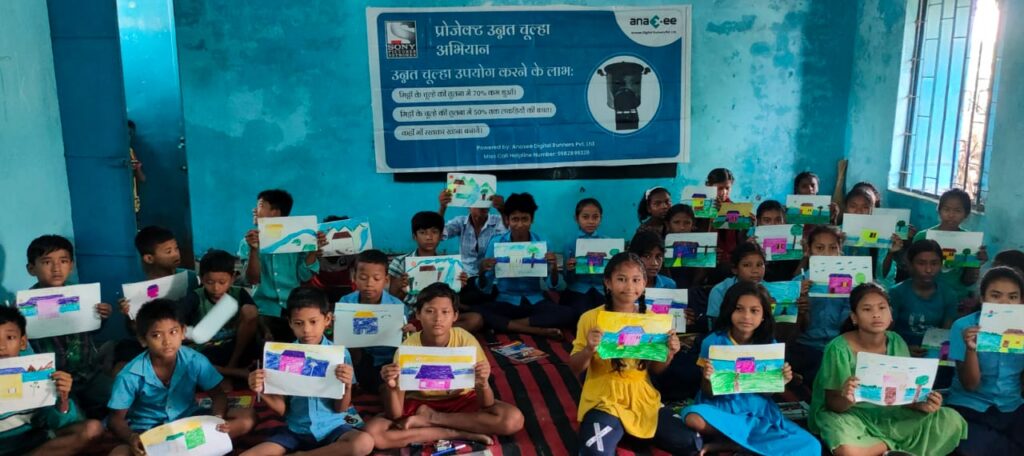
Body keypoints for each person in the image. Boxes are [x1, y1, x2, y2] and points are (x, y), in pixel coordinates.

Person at [809, 283, 966, 456]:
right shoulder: (838, 348)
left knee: (950, 420)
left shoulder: (896, 341)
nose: (876, 314)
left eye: (882, 308)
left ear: (890, 313)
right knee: (847, 449)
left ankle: (880, 448)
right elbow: (833, 405)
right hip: (851, 416)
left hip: (891, 413)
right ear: (854, 317)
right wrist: (848, 397)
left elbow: (902, 395)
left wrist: (922, 404)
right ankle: (891, 446)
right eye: (867, 309)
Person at [364, 283, 524, 449]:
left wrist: (483, 383)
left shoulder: (464, 340)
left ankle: (431, 421)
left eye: (445, 312)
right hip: (421, 402)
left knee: (512, 419)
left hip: (460, 401)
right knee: (374, 433)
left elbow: (487, 404)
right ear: (418, 314)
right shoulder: (407, 348)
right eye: (430, 311)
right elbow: (396, 415)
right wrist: (392, 387)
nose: (438, 318)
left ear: (455, 316)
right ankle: (458, 433)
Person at [569, 252, 697, 455]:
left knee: (691, 441)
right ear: (608, 282)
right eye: (621, 279)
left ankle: (625, 430)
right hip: (605, 397)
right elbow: (574, 367)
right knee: (595, 452)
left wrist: (669, 353)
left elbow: (655, 369)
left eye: (636, 280)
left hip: (642, 396)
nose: (629, 287)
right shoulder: (591, 318)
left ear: (645, 283)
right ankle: (619, 428)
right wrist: (588, 350)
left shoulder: (652, 320)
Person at [681, 281, 820, 455]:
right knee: (693, 417)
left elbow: (767, 393)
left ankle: (732, 443)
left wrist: (780, 381)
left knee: (812, 446)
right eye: (739, 309)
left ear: (763, 315)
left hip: (756, 411)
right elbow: (708, 391)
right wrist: (707, 377)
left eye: (754, 311)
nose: (746, 316)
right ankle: (746, 443)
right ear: (729, 310)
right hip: (721, 407)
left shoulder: (770, 345)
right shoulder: (713, 342)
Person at [108, 299, 255, 456]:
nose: (167, 341)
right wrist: (132, 437)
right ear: (143, 340)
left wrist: (217, 418)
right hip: (150, 435)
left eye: (173, 332)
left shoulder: (194, 360)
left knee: (247, 417)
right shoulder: (129, 375)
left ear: (183, 332)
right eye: (156, 335)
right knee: (119, 453)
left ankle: (190, 448)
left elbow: (218, 394)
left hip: (189, 427)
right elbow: (116, 419)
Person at [244, 287, 374, 455]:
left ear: (327, 319)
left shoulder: (340, 354)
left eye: (313, 322)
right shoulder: (282, 356)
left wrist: (347, 386)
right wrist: (261, 390)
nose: (306, 330)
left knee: (364, 442)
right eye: (299, 323)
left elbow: (341, 409)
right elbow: (283, 410)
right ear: (290, 322)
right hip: (295, 430)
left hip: (332, 428)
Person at [24, 235, 113, 419]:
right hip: (54, 381)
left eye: (63, 261)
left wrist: (101, 316)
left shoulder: (81, 296)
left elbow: (91, 332)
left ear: (71, 265)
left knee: (119, 398)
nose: (56, 268)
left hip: (89, 374)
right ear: (31, 268)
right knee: (72, 419)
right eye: (47, 262)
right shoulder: (26, 306)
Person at [0, 306, 103, 456]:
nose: (1, 347)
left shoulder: (36, 370)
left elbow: (53, 421)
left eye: (10, 338)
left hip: (39, 444)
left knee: (93, 429)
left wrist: (62, 400)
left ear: (22, 342)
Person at [946, 266, 1024, 454]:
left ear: (1021, 301)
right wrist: (971, 349)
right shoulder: (963, 326)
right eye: (995, 296)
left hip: (1011, 405)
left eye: (1013, 297)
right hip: (970, 405)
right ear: (982, 298)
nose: (1004, 303)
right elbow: (970, 385)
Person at [476, 193, 571, 338]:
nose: (519, 225)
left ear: (532, 220)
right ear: (507, 220)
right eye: (515, 219)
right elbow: (485, 286)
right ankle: (535, 329)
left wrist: (553, 270)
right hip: (506, 301)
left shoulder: (542, 243)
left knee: (569, 313)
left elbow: (552, 285)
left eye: (524, 219)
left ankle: (511, 325)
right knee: (479, 312)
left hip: (534, 300)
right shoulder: (496, 243)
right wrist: (482, 271)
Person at [239, 189, 326, 342]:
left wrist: (313, 249)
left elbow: (304, 276)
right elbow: (252, 279)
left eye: (260, 205)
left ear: (275, 213)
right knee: (264, 348)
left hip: (292, 309)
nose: (254, 210)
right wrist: (254, 250)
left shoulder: (299, 239)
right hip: (263, 309)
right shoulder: (249, 241)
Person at [115, 226, 199, 373]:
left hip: (186, 338)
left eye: (176, 248)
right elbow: (135, 330)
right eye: (168, 251)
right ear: (149, 258)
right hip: (155, 343)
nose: (175, 254)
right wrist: (129, 315)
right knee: (122, 361)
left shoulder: (191, 278)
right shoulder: (139, 290)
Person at [178, 249, 261, 380]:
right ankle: (233, 372)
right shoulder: (195, 297)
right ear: (201, 277)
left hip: (236, 348)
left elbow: (253, 316)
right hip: (207, 351)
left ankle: (230, 368)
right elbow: (176, 325)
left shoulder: (239, 294)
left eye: (222, 282)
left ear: (233, 278)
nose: (216, 288)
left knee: (251, 313)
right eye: (210, 282)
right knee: (191, 361)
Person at [387, 211, 476, 331]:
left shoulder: (450, 264)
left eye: (434, 232)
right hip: (412, 314)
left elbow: (450, 300)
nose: (429, 237)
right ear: (414, 236)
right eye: (423, 233)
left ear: (440, 236)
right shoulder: (400, 262)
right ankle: (430, 331)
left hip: (440, 314)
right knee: (397, 320)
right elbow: (392, 300)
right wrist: (401, 286)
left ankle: (424, 331)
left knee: (475, 319)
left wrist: (459, 285)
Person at [339, 249, 407, 393]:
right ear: (354, 277)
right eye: (363, 277)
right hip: (356, 360)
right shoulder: (346, 303)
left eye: (376, 279)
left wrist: (407, 332)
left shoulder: (397, 307)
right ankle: (355, 384)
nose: (369, 284)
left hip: (385, 362)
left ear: (386, 280)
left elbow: (403, 345)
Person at [789, 225, 847, 385]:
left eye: (833, 248)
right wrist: (801, 302)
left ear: (840, 250)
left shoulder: (852, 282)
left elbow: (849, 325)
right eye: (820, 248)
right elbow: (787, 331)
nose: (827, 254)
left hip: (839, 347)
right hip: (805, 347)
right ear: (809, 250)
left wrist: (853, 297)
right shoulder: (797, 285)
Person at [912, 188, 989, 301]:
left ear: (966, 214)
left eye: (957, 211)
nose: (951, 215)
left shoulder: (970, 241)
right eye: (946, 209)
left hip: (957, 297)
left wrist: (976, 263)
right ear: (939, 210)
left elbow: (968, 281)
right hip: (926, 296)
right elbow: (913, 270)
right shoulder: (923, 237)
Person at [438, 188, 506, 306]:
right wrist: (443, 207)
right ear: (468, 206)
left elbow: (511, 233)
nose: (482, 205)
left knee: (481, 298)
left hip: (490, 278)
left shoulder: (499, 221)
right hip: (466, 279)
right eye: (477, 201)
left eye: (485, 201)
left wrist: (502, 209)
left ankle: (468, 309)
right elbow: (438, 233)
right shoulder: (460, 222)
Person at [889, 240, 958, 349]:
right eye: (921, 263)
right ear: (910, 264)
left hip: (933, 352)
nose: (928, 269)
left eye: (934, 263)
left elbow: (945, 334)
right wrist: (906, 349)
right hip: (899, 351)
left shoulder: (948, 294)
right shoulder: (896, 293)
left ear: (941, 264)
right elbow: (887, 332)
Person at [841, 188, 901, 290]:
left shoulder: (881, 235)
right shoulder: (837, 233)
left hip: (869, 288)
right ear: (845, 209)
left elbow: (883, 274)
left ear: (872, 211)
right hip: (842, 286)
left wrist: (891, 252)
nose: (859, 212)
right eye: (853, 206)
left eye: (865, 207)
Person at [562, 198, 609, 318]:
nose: (591, 221)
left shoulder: (607, 242)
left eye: (595, 217)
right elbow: (568, 280)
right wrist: (570, 269)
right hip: (578, 289)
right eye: (585, 217)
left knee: (607, 314)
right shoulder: (570, 243)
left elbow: (611, 275)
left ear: (601, 218)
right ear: (576, 218)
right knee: (580, 315)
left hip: (600, 289)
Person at [706, 242, 766, 325]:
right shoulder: (719, 291)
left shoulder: (770, 289)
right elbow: (716, 326)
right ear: (735, 269)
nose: (755, 271)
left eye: (759, 265)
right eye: (747, 265)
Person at [754, 199, 803, 282]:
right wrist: (752, 250)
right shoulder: (752, 244)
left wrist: (804, 256)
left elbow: (796, 278)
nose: (773, 224)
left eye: (778, 220)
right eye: (767, 220)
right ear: (759, 222)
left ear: (785, 221)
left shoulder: (795, 244)